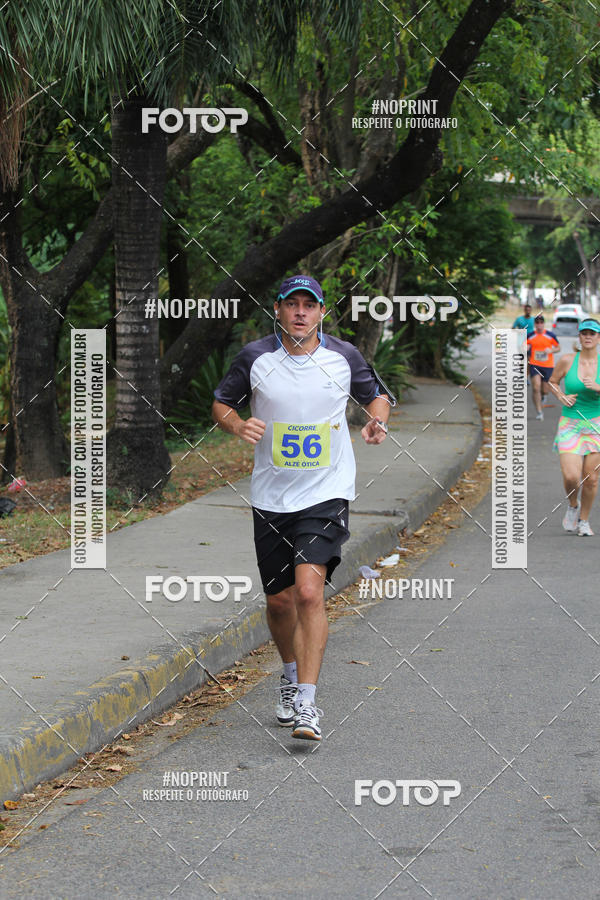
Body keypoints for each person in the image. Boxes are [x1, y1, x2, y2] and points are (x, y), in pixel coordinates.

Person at [212, 275, 394, 740]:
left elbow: (377, 394)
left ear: (320, 312)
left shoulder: (343, 355)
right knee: (279, 601)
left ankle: (308, 703)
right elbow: (221, 402)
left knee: (310, 593)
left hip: (327, 490)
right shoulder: (256, 357)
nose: (299, 312)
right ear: (277, 309)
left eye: (308, 306)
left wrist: (377, 421)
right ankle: (291, 675)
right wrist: (237, 427)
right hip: (272, 495)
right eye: (291, 304)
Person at [549, 319, 600, 536]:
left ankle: (584, 522)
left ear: (598, 338)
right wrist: (561, 396)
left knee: (592, 478)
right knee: (571, 476)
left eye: (592, 333)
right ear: (579, 337)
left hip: (596, 423)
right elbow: (552, 381)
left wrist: (598, 387)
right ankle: (573, 505)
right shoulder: (568, 360)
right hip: (570, 423)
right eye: (584, 333)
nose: (588, 337)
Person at [527, 315, 559, 421]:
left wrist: (551, 350)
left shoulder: (550, 335)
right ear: (535, 324)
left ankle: (544, 396)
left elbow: (558, 347)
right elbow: (524, 346)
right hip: (534, 364)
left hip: (548, 365)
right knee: (536, 387)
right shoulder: (530, 335)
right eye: (537, 323)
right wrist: (525, 348)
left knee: (545, 390)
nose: (539, 325)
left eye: (541, 323)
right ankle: (539, 412)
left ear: (544, 324)